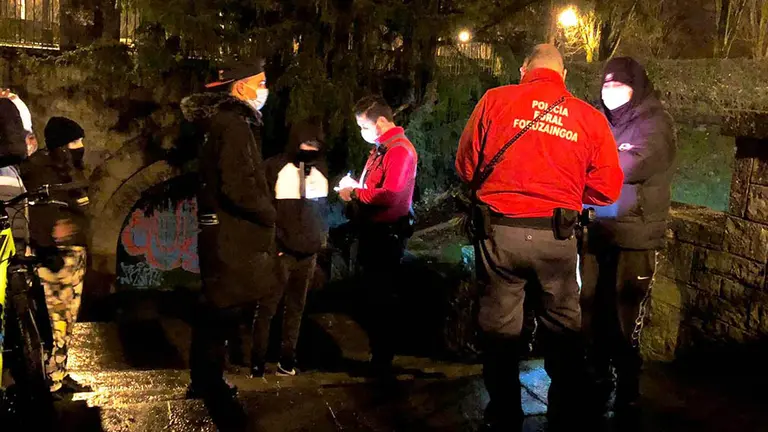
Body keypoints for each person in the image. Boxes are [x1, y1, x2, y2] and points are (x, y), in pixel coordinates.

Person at [455, 44, 624, 431]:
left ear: (523, 69)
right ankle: (564, 415)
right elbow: (607, 188)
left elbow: (466, 166)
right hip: (556, 239)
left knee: (499, 331)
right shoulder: (587, 118)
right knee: (563, 330)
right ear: (562, 75)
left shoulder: (495, 100)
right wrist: (567, 193)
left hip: (500, 236)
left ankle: (503, 416)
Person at [580, 57, 676, 421]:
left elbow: (630, 167)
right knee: (590, 308)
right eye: (606, 86)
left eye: (619, 85)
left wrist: (590, 166)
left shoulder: (655, 123)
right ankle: (598, 374)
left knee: (625, 315)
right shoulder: (599, 121)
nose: (611, 93)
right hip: (598, 231)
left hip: (635, 235)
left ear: (637, 88)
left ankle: (629, 387)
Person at [180, 60, 277, 397]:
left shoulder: (218, 123)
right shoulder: (234, 125)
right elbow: (240, 184)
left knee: (215, 305)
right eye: (261, 82)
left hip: (219, 231)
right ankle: (208, 382)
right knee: (222, 309)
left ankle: (206, 379)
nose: (266, 89)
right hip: (232, 236)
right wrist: (269, 214)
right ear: (240, 88)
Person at [337, 96, 418, 375]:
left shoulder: (398, 150)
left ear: (381, 122)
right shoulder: (382, 149)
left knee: (382, 297)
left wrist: (355, 193)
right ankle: (378, 353)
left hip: (387, 234)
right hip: (374, 231)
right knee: (374, 295)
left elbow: (392, 194)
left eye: (364, 126)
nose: (362, 132)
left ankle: (382, 358)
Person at [21, 116, 91, 396]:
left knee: (66, 323)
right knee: (56, 322)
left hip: (73, 256)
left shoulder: (68, 170)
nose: (81, 146)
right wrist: (46, 246)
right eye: (75, 141)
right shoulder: (41, 170)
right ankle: (51, 379)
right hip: (56, 258)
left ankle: (59, 372)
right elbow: (37, 211)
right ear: (61, 145)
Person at [264, 119, 329, 376]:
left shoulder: (320, 169)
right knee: (268, 306)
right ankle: (256, 360)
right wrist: (275, 244)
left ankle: (286, 360)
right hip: (281, 250)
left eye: (315, 144)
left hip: (308, 252)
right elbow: (266, 209)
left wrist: (319, 243)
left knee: (296, 308)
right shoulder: (275, 167)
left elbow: (319, 211)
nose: (310, 149)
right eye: (306, 143)